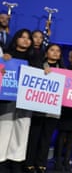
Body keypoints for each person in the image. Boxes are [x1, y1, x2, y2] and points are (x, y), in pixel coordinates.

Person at [24, 43, 65, 173]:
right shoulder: (38, 66)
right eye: (52, 50)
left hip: (53, 110)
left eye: (58, 51)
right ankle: (29, 163)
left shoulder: (64, 70)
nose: (55, 53)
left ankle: (41, 164)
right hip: (38, 109)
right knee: (34, 137)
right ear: (46, 52)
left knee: (46, 138)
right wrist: (42, 73)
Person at [0, 29, 34, 173]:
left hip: (26, 100)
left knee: (22, 129)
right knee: (5, 129)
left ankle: (16, 162)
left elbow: (45, 65)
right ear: (16, 39)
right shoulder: (7, 54)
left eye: (28, 38)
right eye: (22, 37)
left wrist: (46, 69)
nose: (26, 40)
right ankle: (1, 161)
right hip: (8, 98)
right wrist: (2, 65)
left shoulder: (35, 56)